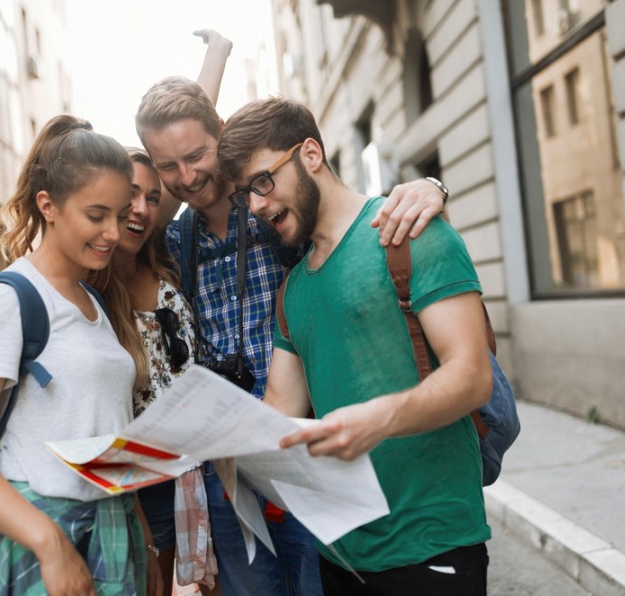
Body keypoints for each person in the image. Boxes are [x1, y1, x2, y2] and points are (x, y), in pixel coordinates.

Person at [134, 73, 448, 593]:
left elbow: (354, 219)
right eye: (168, 165)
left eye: (197, 156)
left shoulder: (273, 202)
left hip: (313, 453)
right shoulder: (174, 238)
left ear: (223, 133)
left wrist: (427, 188)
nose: (186, 176)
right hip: (232, 470)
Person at [217, 96, 493, 595]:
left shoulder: (409, 233)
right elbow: (279, 408)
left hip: (432, 545)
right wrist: (209, 439)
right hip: (339, 556)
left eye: (262, 181)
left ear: (311, 155)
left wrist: (377, 418)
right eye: (245, 194)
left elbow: (472, 376)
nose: (255, 205)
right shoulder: (292, 290)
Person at [0, 115, 159, 595]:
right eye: (96, 215)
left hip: (113, 531)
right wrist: (49, 544)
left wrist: (145, 542)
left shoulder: (92, 298)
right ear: (48, 206)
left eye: (119, 215)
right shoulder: (9, 299)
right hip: (37, 537)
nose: (113, 232)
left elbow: (100, 429)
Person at [87, 147, 218, 595]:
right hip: (143, 490)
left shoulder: (169, 260)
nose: (141, 207)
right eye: (130, 194)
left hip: (203, 473)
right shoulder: (86, 292)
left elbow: (188, 126)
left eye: (153, 198)